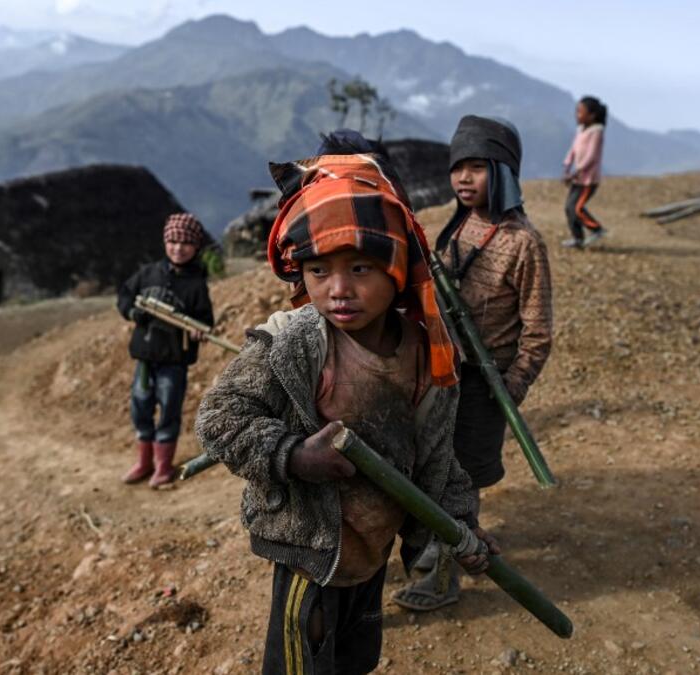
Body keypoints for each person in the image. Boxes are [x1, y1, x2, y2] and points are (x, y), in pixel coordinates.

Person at [196, 151, 497, 674]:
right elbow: (220, 417)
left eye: (360, 268)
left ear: (397, 269)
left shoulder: (427, 357)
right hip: (309, 557)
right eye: (319, 270)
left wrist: (461, 530)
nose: (338, 289)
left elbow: (437, 462)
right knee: (301, 664)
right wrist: (292, 454)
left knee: (356, 659)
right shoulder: (292, 344)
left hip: (371, 554)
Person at [393, 115, 554, 612]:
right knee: (429, 470)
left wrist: (510, 387)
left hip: (484, 385)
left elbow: (539, 332)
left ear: (502, 172)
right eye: (457, 167)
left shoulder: (523, 243)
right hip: (440, 372)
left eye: (476, 168)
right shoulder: (457, 224)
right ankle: (434, 554)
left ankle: (437, 578)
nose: (463, 178)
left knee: (456, 480)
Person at [117, 213, 215, 488]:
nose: (178, 248)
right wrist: (133, 312)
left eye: (185, 243)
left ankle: (163, 466)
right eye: (172, 241)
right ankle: (144, 462)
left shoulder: (196, 285)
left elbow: (206, 322)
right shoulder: (148, 274)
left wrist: (199, 331)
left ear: (195, 247)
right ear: (165, 242)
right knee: (140, 407)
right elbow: (124, 295)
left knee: (170, 408)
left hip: (174, 361)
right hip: (145, 360)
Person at [562, 95, 609, 248]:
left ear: (592, 115)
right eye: (577, 111)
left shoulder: (597, 132)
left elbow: (591, 156)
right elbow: (574, 149)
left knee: (577, 208)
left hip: (589, 180)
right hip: (578, 178)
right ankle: (578, 239)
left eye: (581, 112)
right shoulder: (580, 130)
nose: (577, 115)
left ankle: (597, 229)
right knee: (569, 208)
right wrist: (567, 164)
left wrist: (577, 171)